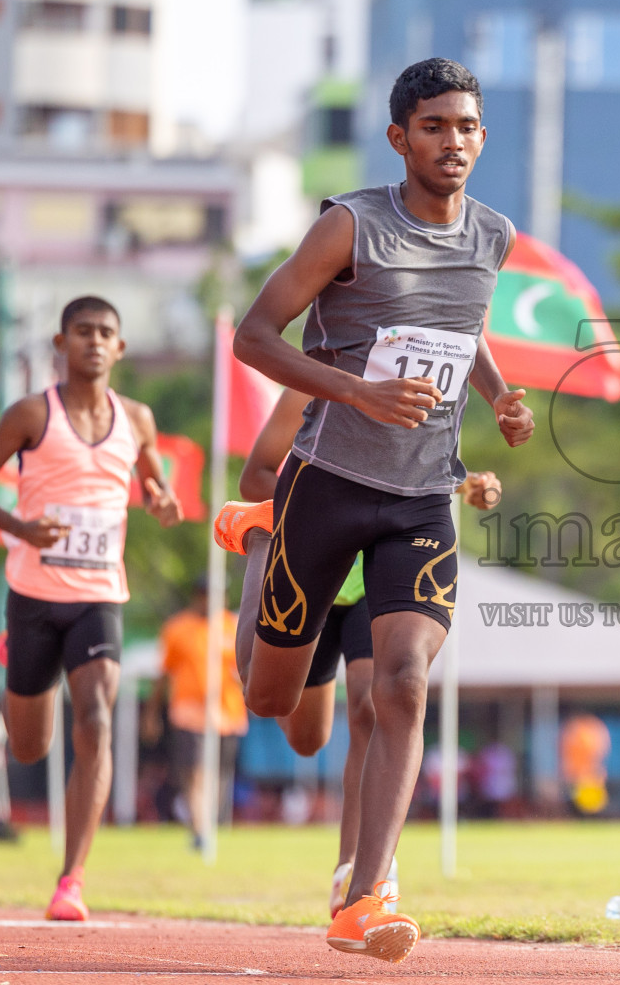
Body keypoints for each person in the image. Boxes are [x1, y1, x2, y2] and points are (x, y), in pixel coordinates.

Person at [231, 57, 533, 962]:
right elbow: (254, 334)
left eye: (468, 126)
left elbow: (463, 329)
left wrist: (500, 395)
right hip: (324, 484)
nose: (455, 141)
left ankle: (365, 894)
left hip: (420, 497)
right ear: (400, 137)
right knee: (270, 698)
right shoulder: (350, 226)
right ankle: (254, 544)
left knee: (402, 680)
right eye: (435, 126)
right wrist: (355, 394)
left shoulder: (493, 235)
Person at [213, 386, 502, 916]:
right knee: (304, 735)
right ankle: (255, 545)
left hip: (374, 583)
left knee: (376, 703)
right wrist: (294, 516)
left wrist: (468, 486)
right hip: (312, 574)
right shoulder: (311, 384)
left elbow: (416, 473)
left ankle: (355, 867)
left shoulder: (420, 379)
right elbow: (256, 473)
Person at [0, 296, 183, 921]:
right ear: (61, 342)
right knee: (28, 746)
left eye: (105, 332)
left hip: (98, 597)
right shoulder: (31, 414)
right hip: (34, 597)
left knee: (98, 717)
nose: (93, 341)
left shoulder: (137, 418)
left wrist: (162, 501)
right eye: (82, 331)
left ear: (120, 348)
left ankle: (71, 880)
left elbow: (154, 483)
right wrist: (21, 530)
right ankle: (16, 664)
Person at [142, 577, 246, 849]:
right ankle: (200, 828)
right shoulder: (177, 628)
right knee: (194, 772)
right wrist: (151, 713)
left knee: (220, 774)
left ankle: (210, 822)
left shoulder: (233, 626)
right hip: (189, 712)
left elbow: (245, 670)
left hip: (227, 713)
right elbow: (162, 674)